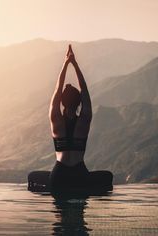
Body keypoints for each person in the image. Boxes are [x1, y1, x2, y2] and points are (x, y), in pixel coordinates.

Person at [48, 45, 113, 193]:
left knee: (60, 214)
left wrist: (66, 63)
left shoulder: (56, 119)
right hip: (79, 174)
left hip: (59, 175)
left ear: (62, 103)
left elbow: (57, 91)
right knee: (79, 215)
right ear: (79, 103)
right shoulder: (84, 120)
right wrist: (75, 64)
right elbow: (84, 90)